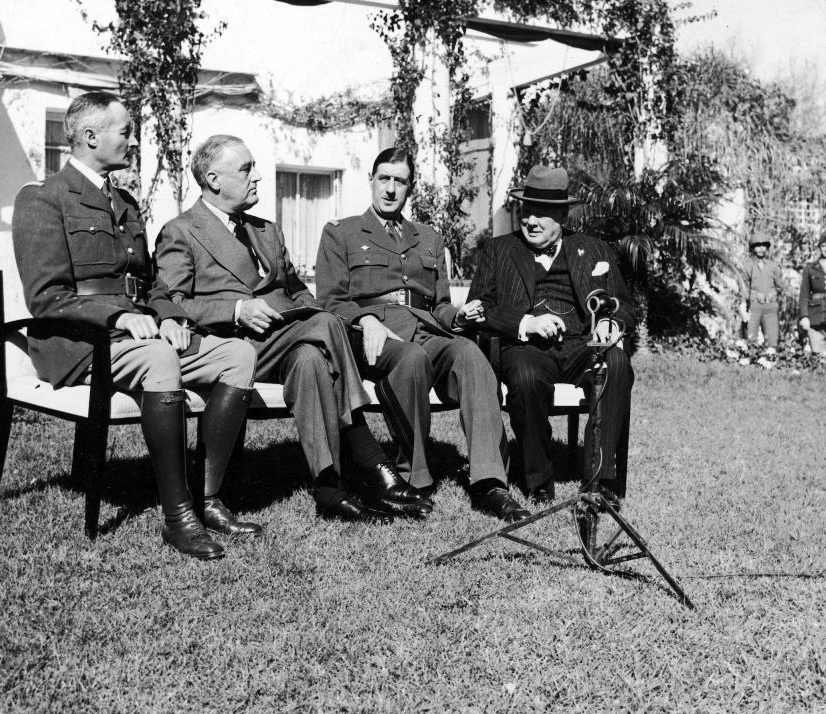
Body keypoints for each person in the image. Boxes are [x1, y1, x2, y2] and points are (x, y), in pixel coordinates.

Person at [12, 92, 261, 562]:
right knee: (161, 358)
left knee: (238, 355)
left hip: (137, 335)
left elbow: (149, 285)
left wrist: (169, 317)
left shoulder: (125, 204)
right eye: (125, 132)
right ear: (89, 137)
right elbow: (46, 297)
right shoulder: (43, 199)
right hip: (78, 342)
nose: (134, 140)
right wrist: (119, 316)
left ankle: (207, 498)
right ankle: (178, 516)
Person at [154, 135, 429, 523]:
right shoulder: (181, 231)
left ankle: (330, 488)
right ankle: (371, 457)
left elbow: (298, 289)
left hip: (289, 336)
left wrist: (302, 311)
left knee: (310, 360)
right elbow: (173, 302)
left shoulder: (266, 230)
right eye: (247, 169)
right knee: (326, 322)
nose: (257, 178)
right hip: (236, 345)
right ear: (214, 180)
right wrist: (235, 309)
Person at [314, 147, 528, 522]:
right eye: (384, 179)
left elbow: (439, 307)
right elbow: (329, 302)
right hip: (370, 335)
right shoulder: (341, 233)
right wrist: (364, 320)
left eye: (400, 181)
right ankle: (414, 477)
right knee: (411, 359)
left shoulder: (429, 238)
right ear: (372, 181)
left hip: (426, 330)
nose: (391, 189)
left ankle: (490, 483)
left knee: (471, 357)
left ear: (410, 187)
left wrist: (459, 316)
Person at [468, 165, 636, 505]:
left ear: (562, 216)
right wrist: (524, 322)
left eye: (542, 214)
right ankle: (539, 480)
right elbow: (478, 308)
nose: (531, 221)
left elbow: (625, 306)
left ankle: (599, 482)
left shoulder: (595, 250)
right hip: (527, 346)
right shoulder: (498, 250)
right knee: (526, 376)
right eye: (527, 211)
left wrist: (610, 323)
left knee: (617, 363)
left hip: (582, 345)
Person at [739, 229, 783, 348]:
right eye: (757, 246)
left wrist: (774, 293)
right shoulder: (747, 266)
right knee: (750, 337)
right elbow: (744, 288)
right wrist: (744, 304)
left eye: (764, 245)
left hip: (770, 306)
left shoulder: (773, 266)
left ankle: (770, 359)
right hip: (754, 306)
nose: (761, 248)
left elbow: (779, 286)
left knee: (772, 339)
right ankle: (750, 359)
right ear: (752, 248)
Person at [799, 231, 826, 355]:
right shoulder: (810, 268)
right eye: (824, 246)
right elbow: (804, 295)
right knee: (818, 355)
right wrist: (804, 316)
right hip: (816, 316)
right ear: (820, 248)